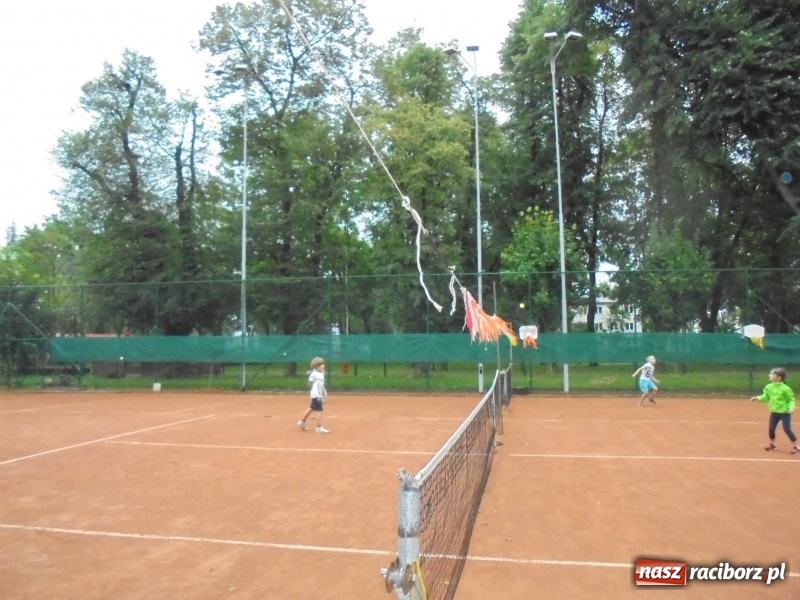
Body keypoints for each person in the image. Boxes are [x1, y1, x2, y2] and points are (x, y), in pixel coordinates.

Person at [750, 367, 799, 453]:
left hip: (784, 413)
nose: (770, 375)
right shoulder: (769, 387)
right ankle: (772, 445)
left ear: (779, 377)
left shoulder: (785, 389)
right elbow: (766, 397)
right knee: (771, 429)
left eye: (772, 374)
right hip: (774, 412)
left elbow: (791, 399)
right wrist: (758, 398)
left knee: (787, 429)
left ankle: (796, 447)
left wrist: (791, 408)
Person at [298, 356, 330, 434]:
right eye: (320, 365)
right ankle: (319, 427)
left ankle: (302, 422)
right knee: (320, 410)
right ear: (316, 366)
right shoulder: (314, 374)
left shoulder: (322, 373)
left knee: (312, 408)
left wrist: (323, 390)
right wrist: (314, 391)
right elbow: (310, 383)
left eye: (323, 364)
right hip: (315, 395)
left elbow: (321, 384)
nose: (323, 366)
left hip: (318, 394)